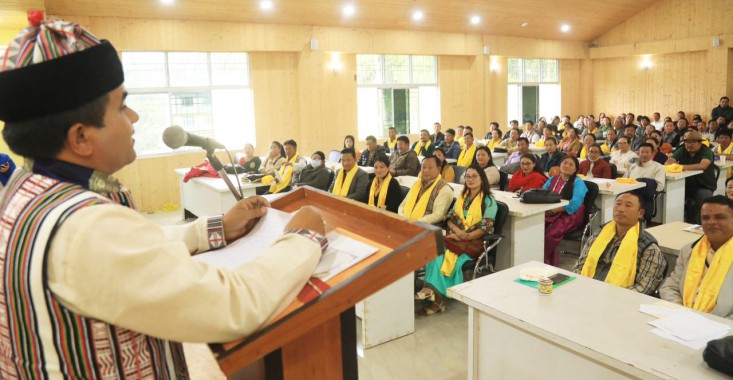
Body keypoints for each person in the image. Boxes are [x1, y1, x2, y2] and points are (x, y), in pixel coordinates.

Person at [0, 18, 328, 377]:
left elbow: (134, 250)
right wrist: (302, 238)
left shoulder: (24, 192)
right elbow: (232, 306)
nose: (135, 117)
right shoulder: (86, 228)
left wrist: (216, 227)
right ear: (80, 138)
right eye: (122, 107)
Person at [415, 164, 498, 315]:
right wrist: (458, 232)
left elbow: (485, 227)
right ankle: (436, 297)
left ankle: (433, 294)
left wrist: (465, 236)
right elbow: (450, 218)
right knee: (434, 250)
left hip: (474, 242)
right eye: (467, 176)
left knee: (447, 255)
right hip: (456, 237)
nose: (470, 179)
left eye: (474, 176)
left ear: (482, 179)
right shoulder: (462, 198)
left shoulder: (489, 201)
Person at [572, 192, 666, 295]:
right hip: (585, 291)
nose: (620, 209)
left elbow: (644, 288)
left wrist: (610, 298)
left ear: (640, 213)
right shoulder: (599, 234)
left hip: (618, 300)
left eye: (628, 205)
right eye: (618, 203)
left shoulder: (648, 248)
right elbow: (579, 266)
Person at [660, 196, 733, 319]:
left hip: (723, 328)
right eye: (705, 218)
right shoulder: (689, 250)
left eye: (719, 217)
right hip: (681, 319)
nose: (711, 222)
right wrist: (680, 312)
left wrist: (713, 323)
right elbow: (670, 286)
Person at [543, 156, 589, 266]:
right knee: (536, 228)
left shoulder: (578, 182)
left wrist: (556, 210)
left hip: (570, 214)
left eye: (571, 164)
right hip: (551, 212)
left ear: (575, 169)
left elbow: (575, 203)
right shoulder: (553, 179)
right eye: (565, 163)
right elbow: (542, 194)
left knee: (550, 234)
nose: (567, 166)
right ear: (560, 165)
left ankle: (544, 261)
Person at [666, 130, 717, 224]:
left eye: (692, 142)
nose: (689, 145)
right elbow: (669, 161)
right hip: (685, 184)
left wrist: (680, 167)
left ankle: (698, 224)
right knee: (671, 193)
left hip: (704, 185)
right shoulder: (682, 150)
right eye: (687, 142)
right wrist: (673, 164)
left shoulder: (706, 151)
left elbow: (703, 165)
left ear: (699, 143)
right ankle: (674, 221)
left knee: (703, 197)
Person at [398, 156, 453, 225]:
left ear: (439, 169)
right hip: (405, 222)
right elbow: (403, 204)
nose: (426, 170)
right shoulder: (417, 184)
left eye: (430, 168)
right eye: (423, 167)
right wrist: (402, 217)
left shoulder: (444, 189)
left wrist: (415, 222)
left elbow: (438, 215)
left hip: (424, 227)